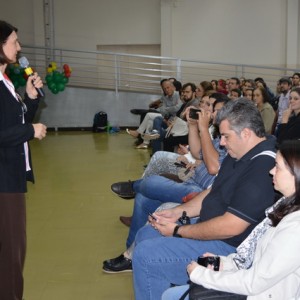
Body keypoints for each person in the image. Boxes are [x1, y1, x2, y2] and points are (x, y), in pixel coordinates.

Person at [132, 99, 276, 300]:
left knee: (146, 255)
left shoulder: (263, 165)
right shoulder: (240, 153)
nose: (222, 143)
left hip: (229, 248)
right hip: (214, 231)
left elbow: (231, 226)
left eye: (225, 136)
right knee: (146, 234)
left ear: (246, 133)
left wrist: (177, 230)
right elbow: (212, 192)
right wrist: (177, 212)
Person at [103, 97, 229, 273]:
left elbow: (213, 166)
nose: (212, 112)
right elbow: (197, 153)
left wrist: (202, 130)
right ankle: (130, 253)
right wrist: (193, 126)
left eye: (216, 110)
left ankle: (134, 186)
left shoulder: (230, 139)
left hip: (200, 191)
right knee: (144, 197)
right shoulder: (219, 135)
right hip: (193, 177)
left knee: (153, 181)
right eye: (212, 108)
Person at [162, 139, 300, 300]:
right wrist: (222, 263)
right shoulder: (284, 204)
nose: (271, 171)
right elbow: (253, 256)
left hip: (261, 293)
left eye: (277, 167)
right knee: (170, 295)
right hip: (254, 284)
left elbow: (254, 282)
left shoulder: (295, 228)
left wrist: (201, 274)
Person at [0, 20, 47, 300]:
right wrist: (30, 130)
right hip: (3, 179)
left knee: (12, 250)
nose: (18, 48)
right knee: (11, 253)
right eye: (13, 42)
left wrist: (29, 100)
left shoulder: (6, 81)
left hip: (12, 175)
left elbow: (13, 123)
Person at [126, 79, 182, 148]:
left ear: (173, 87)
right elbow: (162, 110)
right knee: (150, 122)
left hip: (174, 120)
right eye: (165, 89)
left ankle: (138, 133)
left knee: (149, 115)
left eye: (168, 87)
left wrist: (167, 109)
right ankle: (145, 143)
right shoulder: (165, 97)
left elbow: (177, 108)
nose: (167, 90)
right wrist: (170, 109)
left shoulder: (178, 95)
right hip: (166, 118)